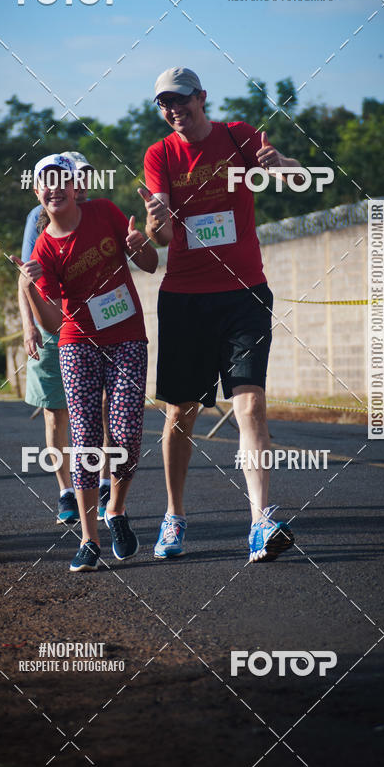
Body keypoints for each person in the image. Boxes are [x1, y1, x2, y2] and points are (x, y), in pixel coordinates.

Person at [141, 67, 300, 563]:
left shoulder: (239, 136)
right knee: (180, 414)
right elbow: (163, 239)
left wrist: (279, 163)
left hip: (244, 295)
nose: (173, 110)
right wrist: (155, 223)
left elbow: (295, 177)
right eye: (164, 104)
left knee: (249, 405)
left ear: (201, 98)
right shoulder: (159, 155)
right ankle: (174, 515)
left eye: (181, 100)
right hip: (186, 297)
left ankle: (260, 521)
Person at [14, 153, 158, 571]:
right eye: (46, 182)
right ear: (38, 193)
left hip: (127, 335)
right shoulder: (43, 248)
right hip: (78, 343)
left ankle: (116, 509)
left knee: (128, 430)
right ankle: (90, 538)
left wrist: (139, 245)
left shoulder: (105, 212)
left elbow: (149, 265)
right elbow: (55, 322)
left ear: (77, 187)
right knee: (86, 439)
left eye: (62, 180)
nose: (54, 188)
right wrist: (29, 290)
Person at [19, 151, 111, 525]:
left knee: (102, 407)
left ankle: (104, 483)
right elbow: (25, 277)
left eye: (87, 175)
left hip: (100, 327)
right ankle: (66, 493)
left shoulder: (101, 212)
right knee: (56, 412)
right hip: (52, 328)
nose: (82, 181)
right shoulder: (39, 217)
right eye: (78, 174)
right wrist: (29, 326)